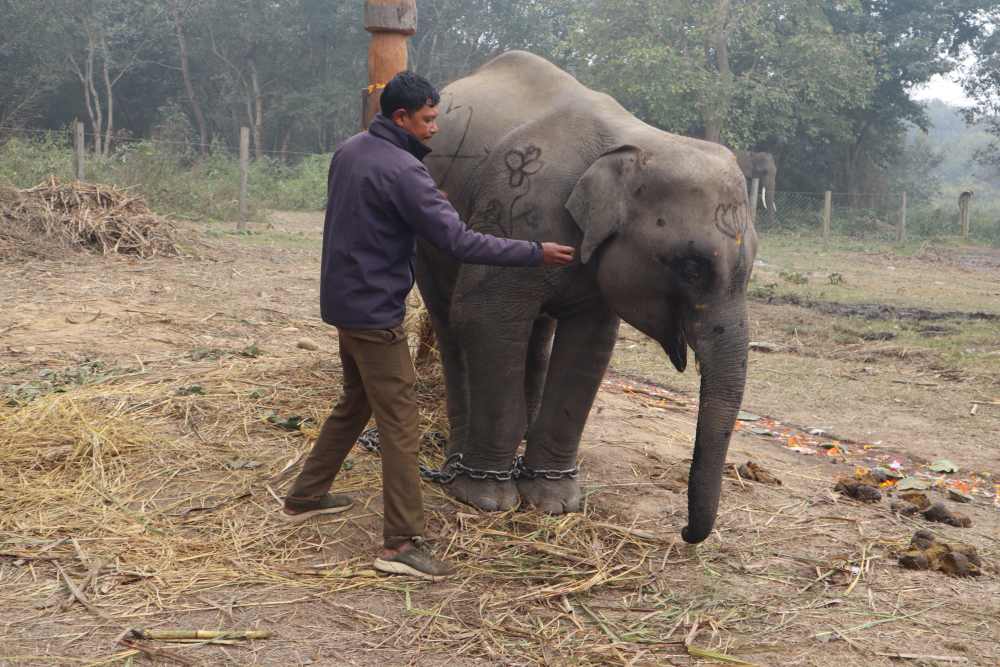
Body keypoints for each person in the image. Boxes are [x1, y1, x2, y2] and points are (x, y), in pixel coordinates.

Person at [281, 71, 575, 581]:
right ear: (402, 118)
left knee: (356, 403)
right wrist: (535, 252)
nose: (435, 128)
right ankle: (400, 544)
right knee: (400, 425)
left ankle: (306, 495)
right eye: (428, 119)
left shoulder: (351, 150)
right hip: (375, 313)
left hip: (344, 302)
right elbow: (460, 242)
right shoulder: (405, 172)